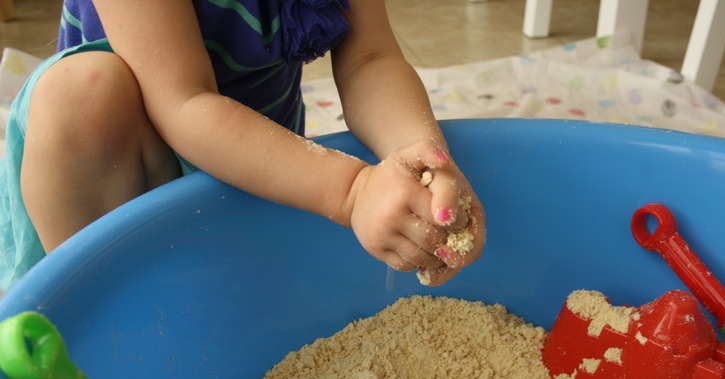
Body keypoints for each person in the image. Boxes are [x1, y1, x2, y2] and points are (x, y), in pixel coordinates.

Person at [0, 0, 485, 292]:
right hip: (122, 174)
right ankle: (96, 328)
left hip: (251, 159)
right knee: (81, 94)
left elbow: (371, 58)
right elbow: (184, 102)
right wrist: (353, 191)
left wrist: (420, 159)